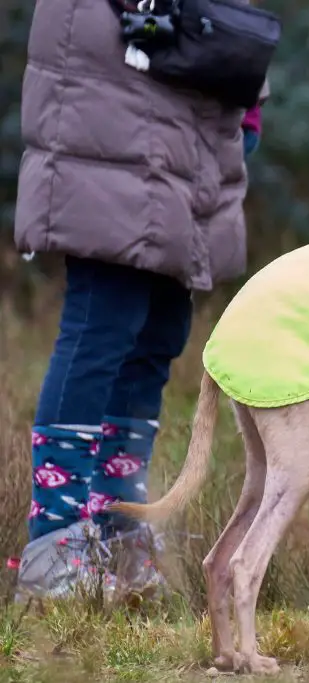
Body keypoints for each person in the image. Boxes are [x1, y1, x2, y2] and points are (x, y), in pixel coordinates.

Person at [10, 0, 267, 600]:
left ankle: (117, 529)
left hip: (189, 130)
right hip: (115, 119)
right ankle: (57, 541)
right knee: (104, 322)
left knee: (158, 332)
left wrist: (248, 98)